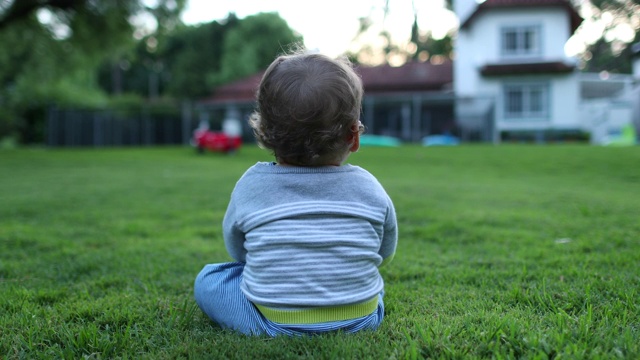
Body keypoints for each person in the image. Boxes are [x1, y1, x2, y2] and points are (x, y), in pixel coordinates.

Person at [194, 50, 398, 336]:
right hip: (360, 319)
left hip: (273, 321)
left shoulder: (252, 184)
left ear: (264, 130)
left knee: (209, 279)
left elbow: (238, 251)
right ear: (353, 136)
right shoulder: (369, 186)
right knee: (370, 279)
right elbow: (384, 253)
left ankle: (284, 317)